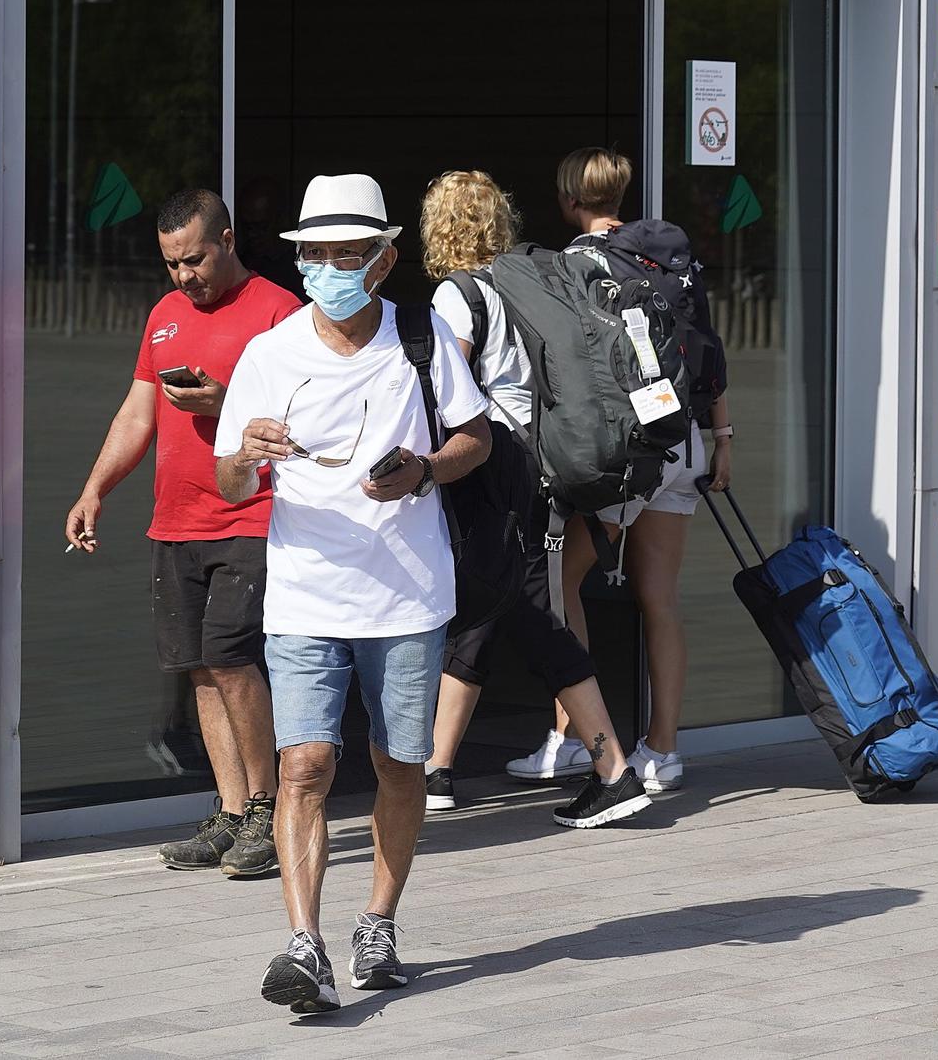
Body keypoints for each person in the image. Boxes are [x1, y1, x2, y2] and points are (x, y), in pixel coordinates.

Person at [214, 173, 492, 1014]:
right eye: (318, 254)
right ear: (301, 260)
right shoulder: (269, 354)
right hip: (304, 594)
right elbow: (228, 483)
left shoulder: (421, 337)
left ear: (383, 258)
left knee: (397, 765)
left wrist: (422, 474)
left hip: (407, 596)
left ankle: (379, 920)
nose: (332, 267)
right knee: (305, 764)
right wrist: (246, 456)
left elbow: (475, 439)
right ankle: (303, 944)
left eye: (349, 253)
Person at [65, 188, 300, 877]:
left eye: (193, 260)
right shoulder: (165, 315)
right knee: (199, 668)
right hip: (176, 521)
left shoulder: (279, 313)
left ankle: (267, 808)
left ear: (227, 240)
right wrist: (94, 489)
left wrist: (226, 403)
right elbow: (138, 413)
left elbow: (302, 424)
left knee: (231, 658)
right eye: (171, 264)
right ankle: (231, 813)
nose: (183, 277)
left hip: (251, 517)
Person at [417, 170, 652, 827]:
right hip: (534, 463)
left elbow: (451, 398)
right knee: (488, 610)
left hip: (493, 468)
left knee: (536, 618)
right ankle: (435, 770)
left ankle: (613, 770)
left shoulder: (458, 296)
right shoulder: (526, 283)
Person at [503, 148, 732, 792]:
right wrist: (724, 435)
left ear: (568, 196)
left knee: (562, 586)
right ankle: (663, 749)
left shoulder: (578, 263)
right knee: (660, 598)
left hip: (626, 454)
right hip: (680, 442)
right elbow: (705, 347)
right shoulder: (668, 257)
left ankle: (575, 736)